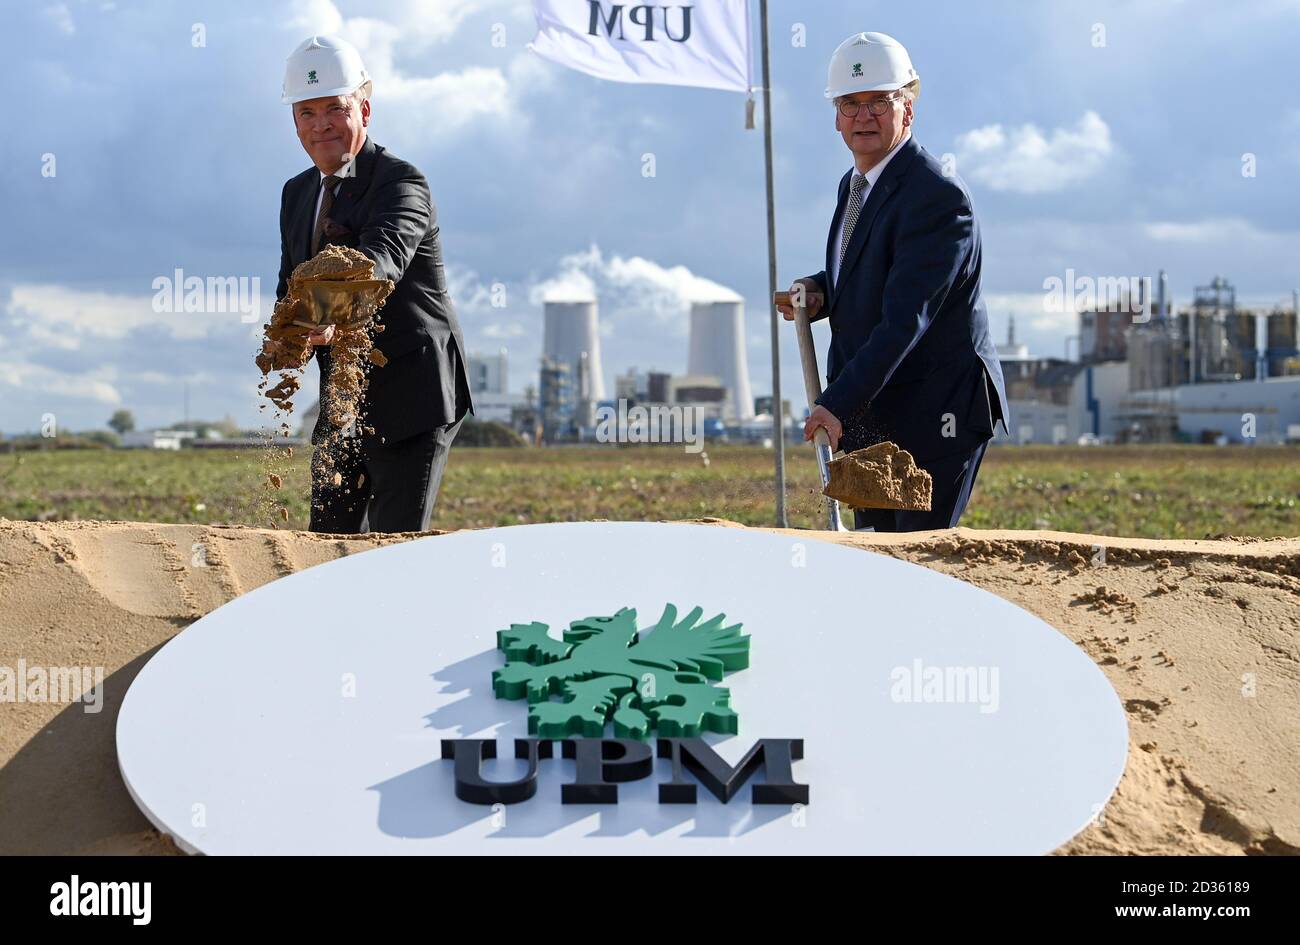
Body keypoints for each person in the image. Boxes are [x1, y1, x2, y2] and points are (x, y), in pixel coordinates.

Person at [778, 32, 1009, 532]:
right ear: (836, 116)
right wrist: (822, 290)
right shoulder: (855, 183)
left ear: (909, 107)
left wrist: (834, 404)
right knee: (874, 550)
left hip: (935, 413)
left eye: (880, 102)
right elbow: (872, 267)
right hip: (876, 409)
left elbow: (907, 317)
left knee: (917, 557)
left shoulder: (937, 195)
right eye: (851, 104)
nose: (864, 117)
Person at [276, 35, 473, 533]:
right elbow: (289, 282)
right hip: (345, 396)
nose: (321, 125)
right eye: (307, 112)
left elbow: (381, 262)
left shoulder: (401, 183)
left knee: (393, 549)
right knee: (328, 544)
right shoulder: (297, 193)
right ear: (294, 120)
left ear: (364, 108)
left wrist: (321, 315)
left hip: (414, 393)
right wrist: (287, 333)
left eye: (334, 109)